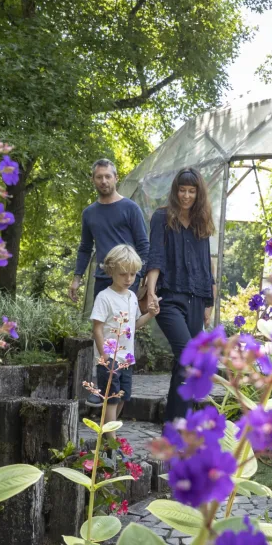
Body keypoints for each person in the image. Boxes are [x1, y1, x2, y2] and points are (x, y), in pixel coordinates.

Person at [145, 167, 217, 421]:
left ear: (198, 194)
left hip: (196, 297)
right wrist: (151, 291)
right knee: (188, 354)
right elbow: (155, 256)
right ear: (175, 191)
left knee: (185, 364)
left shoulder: (202, 221)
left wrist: (209, 302)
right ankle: (177, 423)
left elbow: (205, 263)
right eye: (182, 190)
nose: (186, 196)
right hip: (169, 297)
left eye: (191, 191)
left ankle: (176, 426)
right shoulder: (161, 218)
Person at [89, 245, 159, 433]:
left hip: (127, 359)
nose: (129, 279)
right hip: (109, 358)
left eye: (133, 274)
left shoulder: (132, 298)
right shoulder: (104, 297)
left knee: (122, 399)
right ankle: (112, 445)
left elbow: (134, 324)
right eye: (123, 274)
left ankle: (107, 436)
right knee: (112, 400)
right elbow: (97, 329)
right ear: (111, 271)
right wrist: (104, 355)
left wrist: (151, 314)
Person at [69, 159, 149, 302]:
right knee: (101, 323)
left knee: (124, 323)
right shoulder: (89, 213)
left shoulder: (131, 208)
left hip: (128, 279)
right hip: (102, 279)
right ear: (92, 179)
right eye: (99, 177)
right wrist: (77, 278)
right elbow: (85, 248)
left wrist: (141, 276)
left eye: (108, 176)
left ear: (116, 178)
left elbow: (143, 245)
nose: (104, 181)